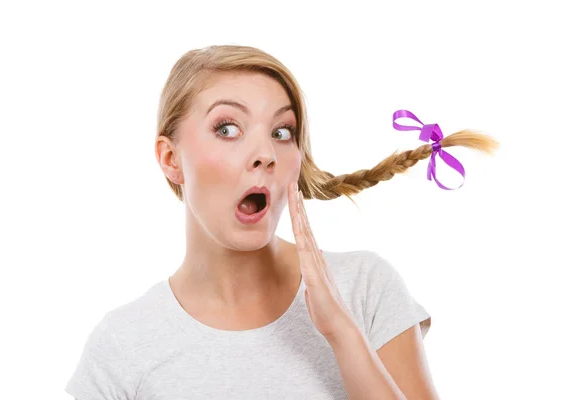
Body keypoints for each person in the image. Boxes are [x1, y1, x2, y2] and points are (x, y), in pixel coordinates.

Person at [65, 44, 498, 399]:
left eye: (282, 132)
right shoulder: (124, 345)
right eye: (228, 128)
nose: (266, 154)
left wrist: (343, 336)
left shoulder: (364, 288)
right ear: (170, 158)